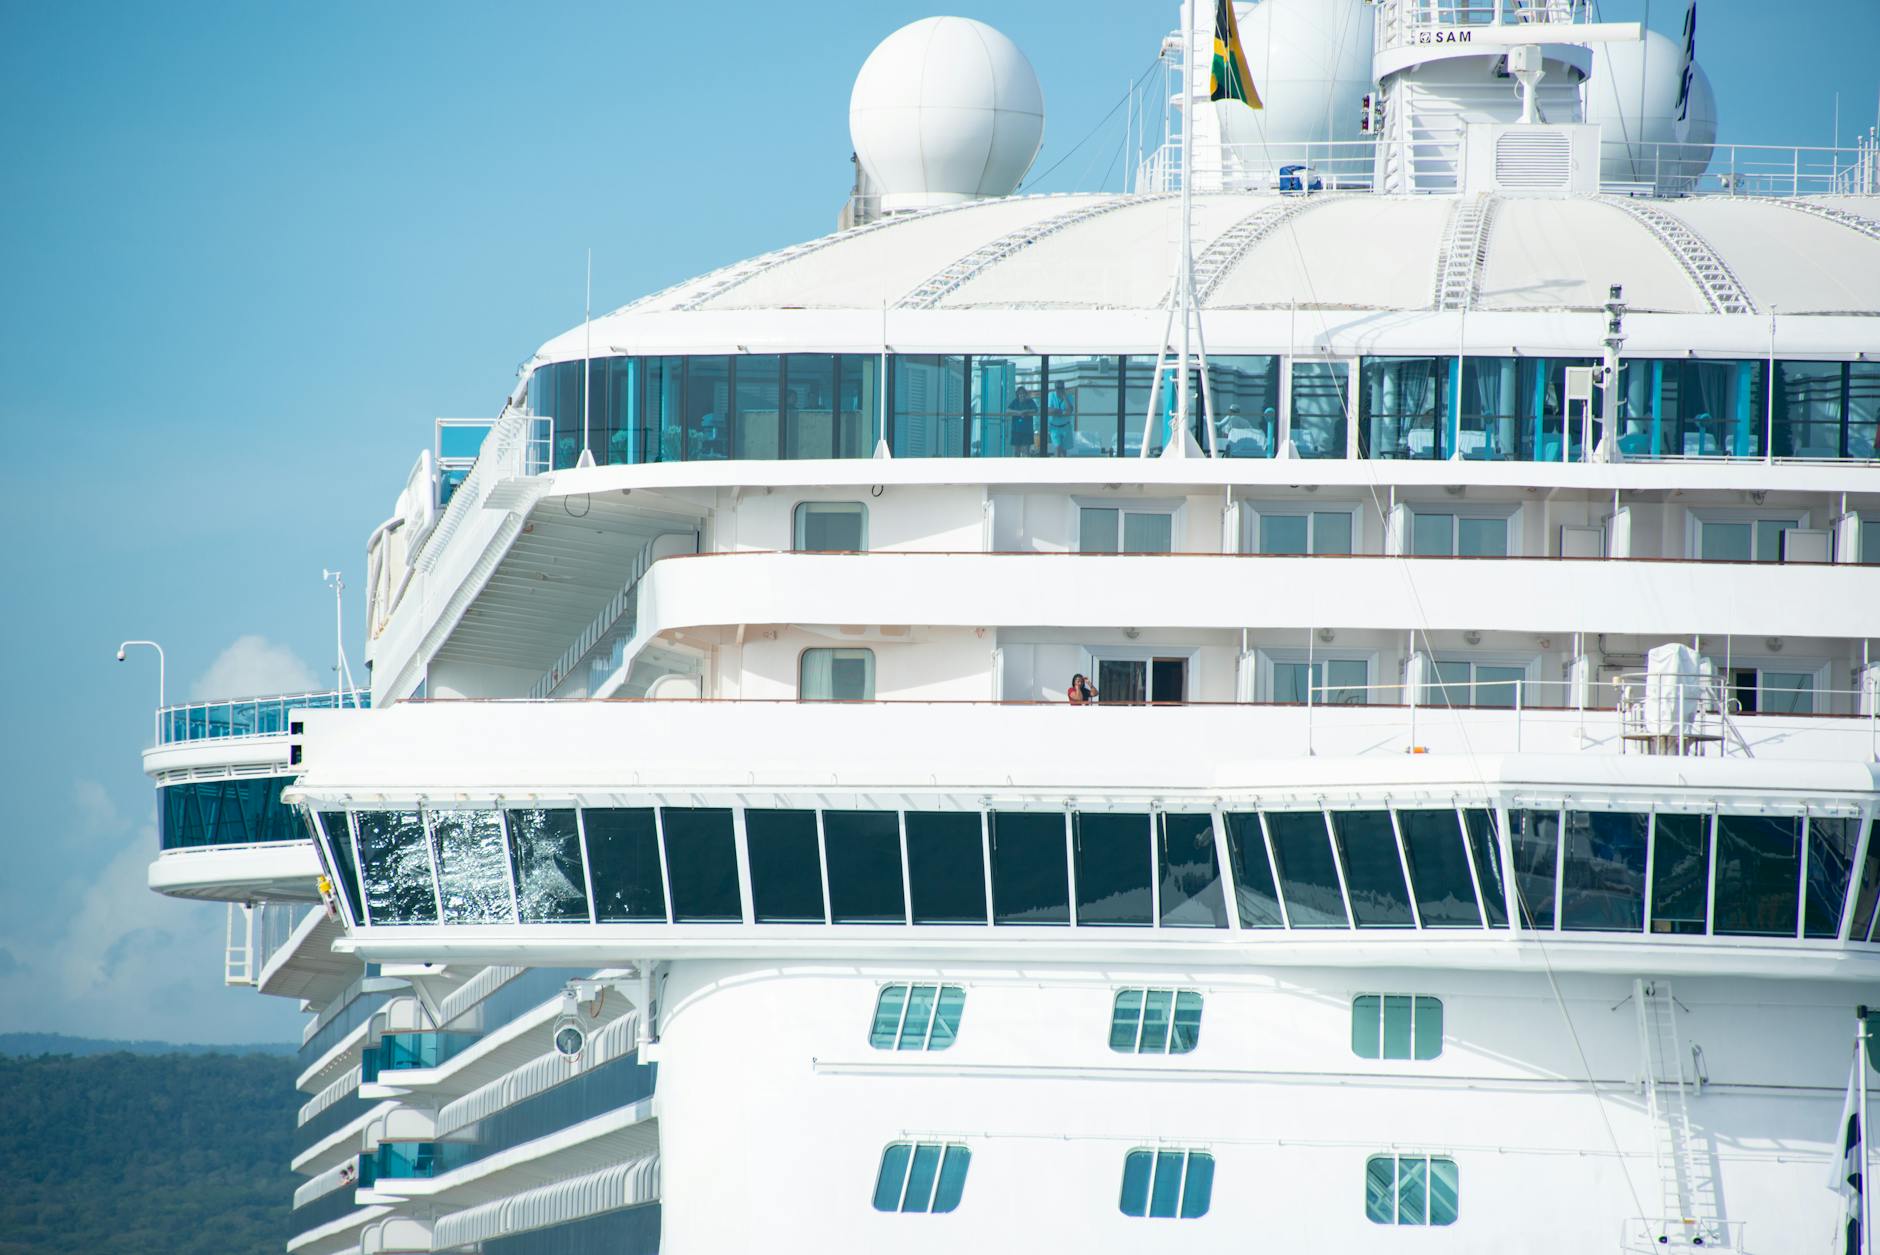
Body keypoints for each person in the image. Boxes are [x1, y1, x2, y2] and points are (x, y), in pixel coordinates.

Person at [1047, 382, 1074, 456]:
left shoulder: (1068, 396)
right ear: (1055, 389)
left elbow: (1070, 410)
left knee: (1064, 451)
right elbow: (1048, 409)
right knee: (1058, 448)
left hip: (1066, 427)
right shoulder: (1051, 395)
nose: (1060, 390)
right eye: (1058, 388)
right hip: (1054, 427)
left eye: (1062, 388)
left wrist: (1065, 397)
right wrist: (1059, 411)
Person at [1010, 386, 1038, 456]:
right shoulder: (1015, 402)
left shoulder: (1030, 401)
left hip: (1027, 431)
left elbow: (1035, 410)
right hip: (1016, 430)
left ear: (1025, 394)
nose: (1022, 395)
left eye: (1023, 393)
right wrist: (1018, 412)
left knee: (1026, 452)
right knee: (1016, 452)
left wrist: (1026, 411)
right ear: (1017, 395)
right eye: (1020, 394)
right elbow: (1007, 410)